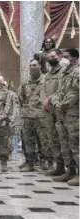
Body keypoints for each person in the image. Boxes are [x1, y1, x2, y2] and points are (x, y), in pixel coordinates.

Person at [51, 48, 79, 186]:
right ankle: (70, 170)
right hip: (62, 114)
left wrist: (62, 105)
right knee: (65, 144)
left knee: (75, 144)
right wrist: (56, 103)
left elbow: (74, 93)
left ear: (74, 58)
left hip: (74, 114)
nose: (63, 59)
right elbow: (58, 92)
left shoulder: (78, 73)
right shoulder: (64, 74)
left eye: (66, 56)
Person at [18, 59, 50, 172]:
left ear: (40, 66)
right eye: (30, 65)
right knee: (28, 140)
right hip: (28, 116)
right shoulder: (25, 81)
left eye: (35, 65)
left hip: (41, 115)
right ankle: (30, 162)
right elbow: (20, 97)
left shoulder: (45, 79)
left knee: (44, 140)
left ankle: (45, 161)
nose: (32, 67)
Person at [42, 48, 67, 176]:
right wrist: (44, 102)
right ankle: (59, 166)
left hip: (59, 110)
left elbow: (62, 90)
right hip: (48, 111)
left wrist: (49, 100)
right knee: (52, 139)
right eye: (49, 57)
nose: (51, 58)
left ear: (60, 56)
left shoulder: (64, 72)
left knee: (62, 139)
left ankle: (70, 168)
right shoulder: (48, 74)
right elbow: (43, 90)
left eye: (53, 56)